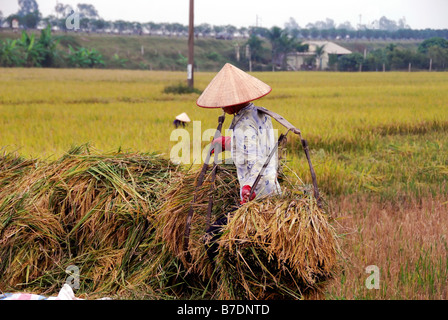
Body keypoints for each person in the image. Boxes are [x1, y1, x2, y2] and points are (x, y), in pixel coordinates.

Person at [196, 63, 282, 261]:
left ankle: (223, 277)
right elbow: (256, 143)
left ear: (235, 101)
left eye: (225, 102)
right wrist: (227, 142)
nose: (222, 106)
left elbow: (252, 158)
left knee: (211, 238)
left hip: (256, 192)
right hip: (271, 188)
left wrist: (246, 190)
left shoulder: (243, 123)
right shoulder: (259, 113)